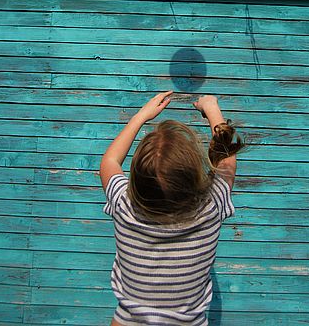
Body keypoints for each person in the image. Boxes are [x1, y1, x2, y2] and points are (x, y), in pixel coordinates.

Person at [99, 92, 245, 326]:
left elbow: (109, 162)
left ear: (136, 179)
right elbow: (227, 160)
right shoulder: (212, 206)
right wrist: (211, 108)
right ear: (193, 177)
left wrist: (140, 117)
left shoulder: (123, 204)